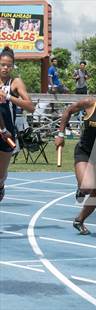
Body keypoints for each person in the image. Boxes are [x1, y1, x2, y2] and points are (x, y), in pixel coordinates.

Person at [54, 73, 96, 235]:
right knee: (87, 186)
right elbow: (68, 111)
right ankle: (81, 189)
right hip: (84, 152)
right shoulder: (90, 103)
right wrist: (60, 134)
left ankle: (79, 220)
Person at [0, 47, 35, 202]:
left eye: (9, 65)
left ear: (13, 66)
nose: (5, 68)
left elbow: (30, 107)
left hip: (6, 134)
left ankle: (1, 185)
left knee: (0, 175)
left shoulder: (15, 83)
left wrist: (8, 97)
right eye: (2, 64)